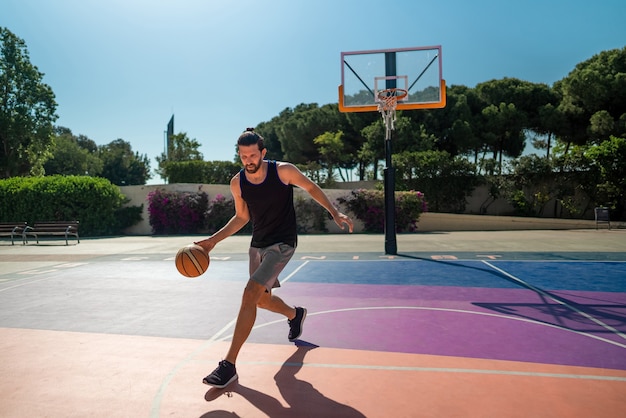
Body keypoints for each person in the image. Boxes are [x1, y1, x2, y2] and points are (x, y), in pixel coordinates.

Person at [196, 128, 354, 388]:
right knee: (260, 300)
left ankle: (228, 365)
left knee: (249, 292)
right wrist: (213, 241)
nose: (248, 160)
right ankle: (295, 314)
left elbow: (312, 188)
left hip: (282, 243)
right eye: (243, 155)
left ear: (263, 153)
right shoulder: (238, 182)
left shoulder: (283, 171)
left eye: (253, 155)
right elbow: (241, 217)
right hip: (258, 245)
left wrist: (334, 213)